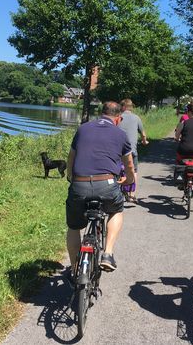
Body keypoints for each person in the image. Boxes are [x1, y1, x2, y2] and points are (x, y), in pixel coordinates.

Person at [65, 101, 135, 274]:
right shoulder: (120, 134)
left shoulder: (83, 129)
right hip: (107, 184)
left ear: (101, 113)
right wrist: (129, 180)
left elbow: (71, 157)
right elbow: (129, 164)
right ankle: (108, 253)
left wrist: (70, 177)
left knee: (74, 227)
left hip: (79, 183)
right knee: (116, 209)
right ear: (118, 118)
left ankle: (75, 269)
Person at [117, 98, 148, 202]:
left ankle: (115, 191)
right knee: (134, 170)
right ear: (131, 107)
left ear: (122, 107)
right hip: (131, 150)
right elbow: (143, 134)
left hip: (118, 150)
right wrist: (144, 142)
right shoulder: (136, 118)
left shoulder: (118, 117)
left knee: (115, 168)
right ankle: (132, 194)